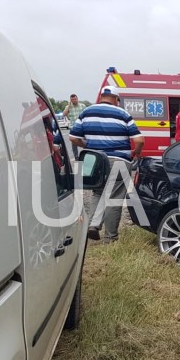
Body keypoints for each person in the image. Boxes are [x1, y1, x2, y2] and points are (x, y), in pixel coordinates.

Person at [69, 86, 144, 243]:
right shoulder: (123, 114)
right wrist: (135, 153)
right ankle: (110, 237)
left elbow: (73, 137)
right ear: (116, 99)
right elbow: (139, 140)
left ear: (101, 96)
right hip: (119, 162)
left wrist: (87, 145)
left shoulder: (86, 112)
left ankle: (94, 225)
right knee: (114, 199)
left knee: (98, 193)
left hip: (96, 162)